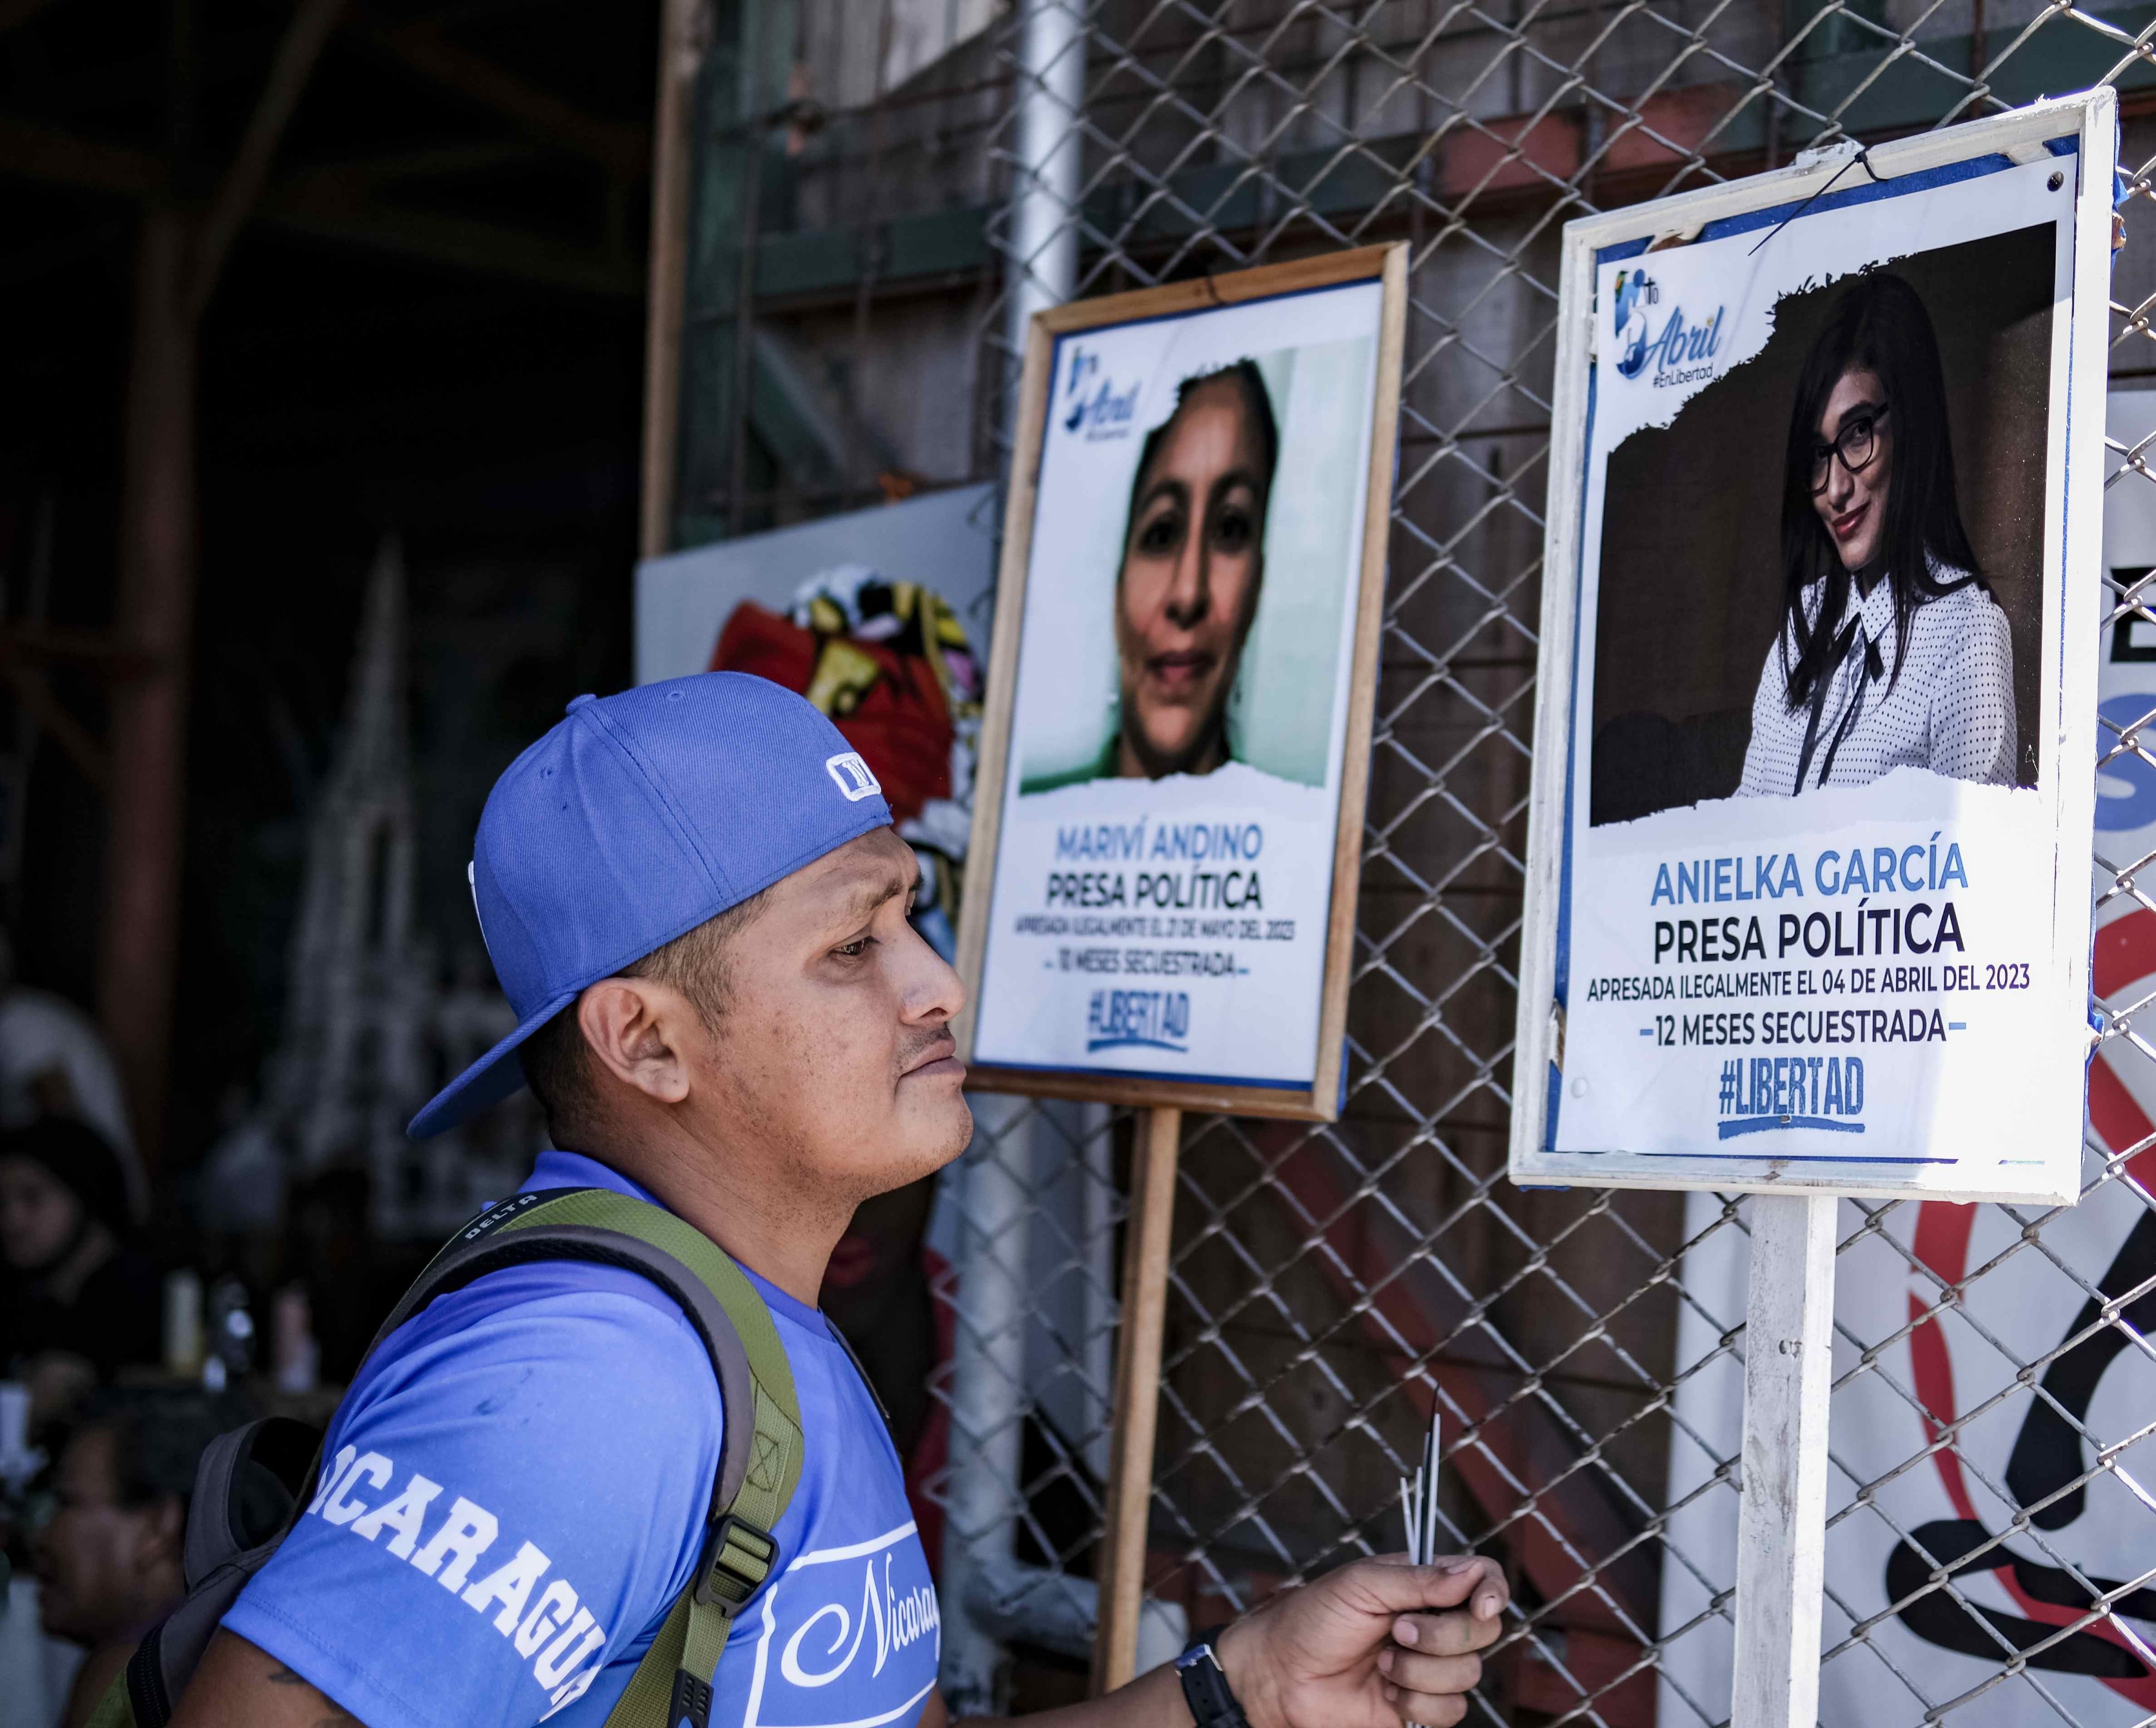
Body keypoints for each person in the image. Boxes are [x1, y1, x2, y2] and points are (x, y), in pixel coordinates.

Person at [170, 673, 1506, 1728]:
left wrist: (1247, 1688)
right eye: (851, 944)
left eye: (909, 921)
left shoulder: (761, 1334)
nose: (936, 985)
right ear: (644, 1042)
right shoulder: (589, 1384)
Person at [1734, 273, 2018, 795]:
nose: (1836, 489)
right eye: (1820, 454)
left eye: (1858, 432)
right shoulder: (1801, 627)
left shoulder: (1965, 632)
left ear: (1913, 426)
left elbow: (1974, 868)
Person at [1030, 362, 1275, 791]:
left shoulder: (1294, 840)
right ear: (1117, 577)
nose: (1187, 593)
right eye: (1161, 533)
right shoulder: (1029, 829)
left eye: (1230, 529)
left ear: (1258, 581)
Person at [32, 1386, 258, 1728]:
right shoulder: (245, 1665)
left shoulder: (127, 1674)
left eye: (67, 1502)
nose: (42, 1537)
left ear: (158, 1526)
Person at [0, 1115, 164, 1421]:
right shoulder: (23, 1299)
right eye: (2, 1202)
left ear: (85, 1194)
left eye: (32, 1197)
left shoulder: (146, 1296)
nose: (12, 1221)